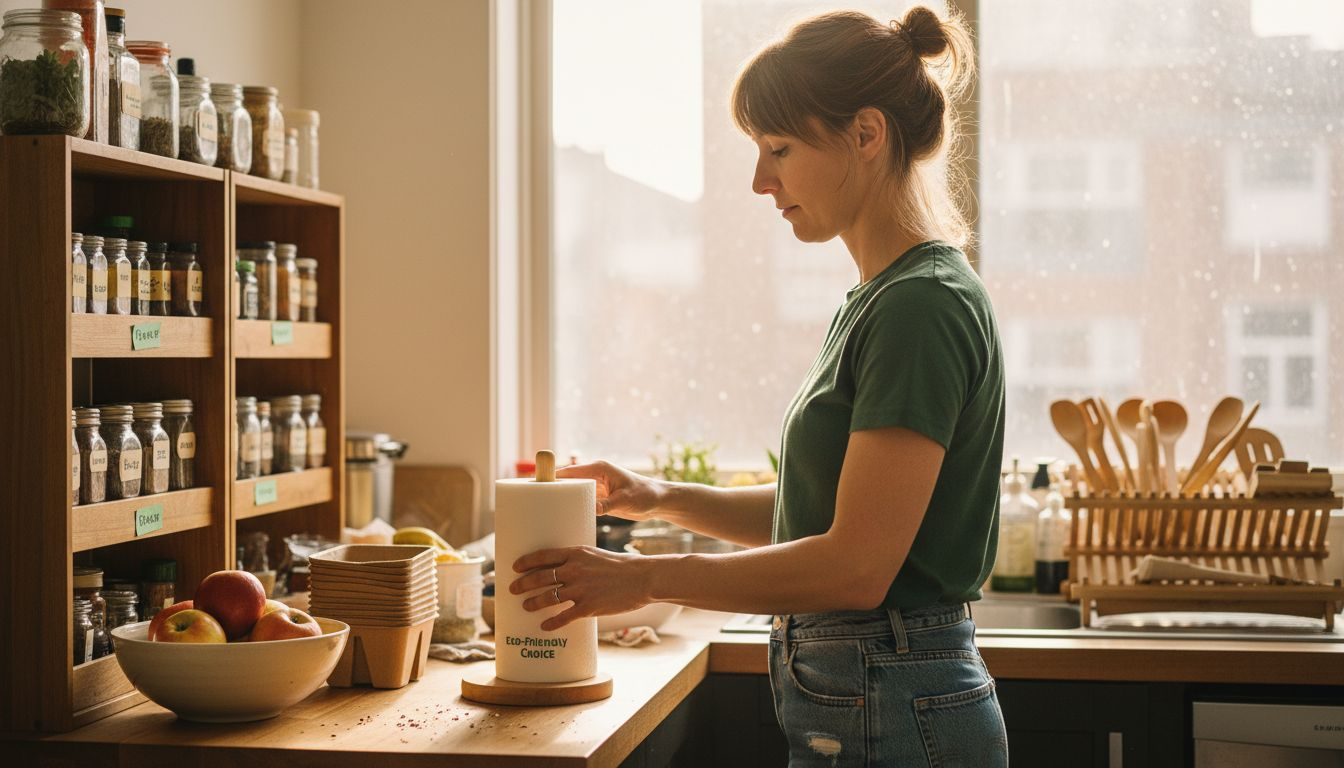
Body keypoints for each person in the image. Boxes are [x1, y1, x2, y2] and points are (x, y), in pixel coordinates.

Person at [510, 6, 1008, 766]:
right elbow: (818, 518)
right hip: (876, 691)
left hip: (896, 701)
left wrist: (642, 577)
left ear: (866, 136)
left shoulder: (921, 305)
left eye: (779, 147)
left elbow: (855, 566)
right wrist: (659, 494)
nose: (759, 180)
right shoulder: (882, 299)